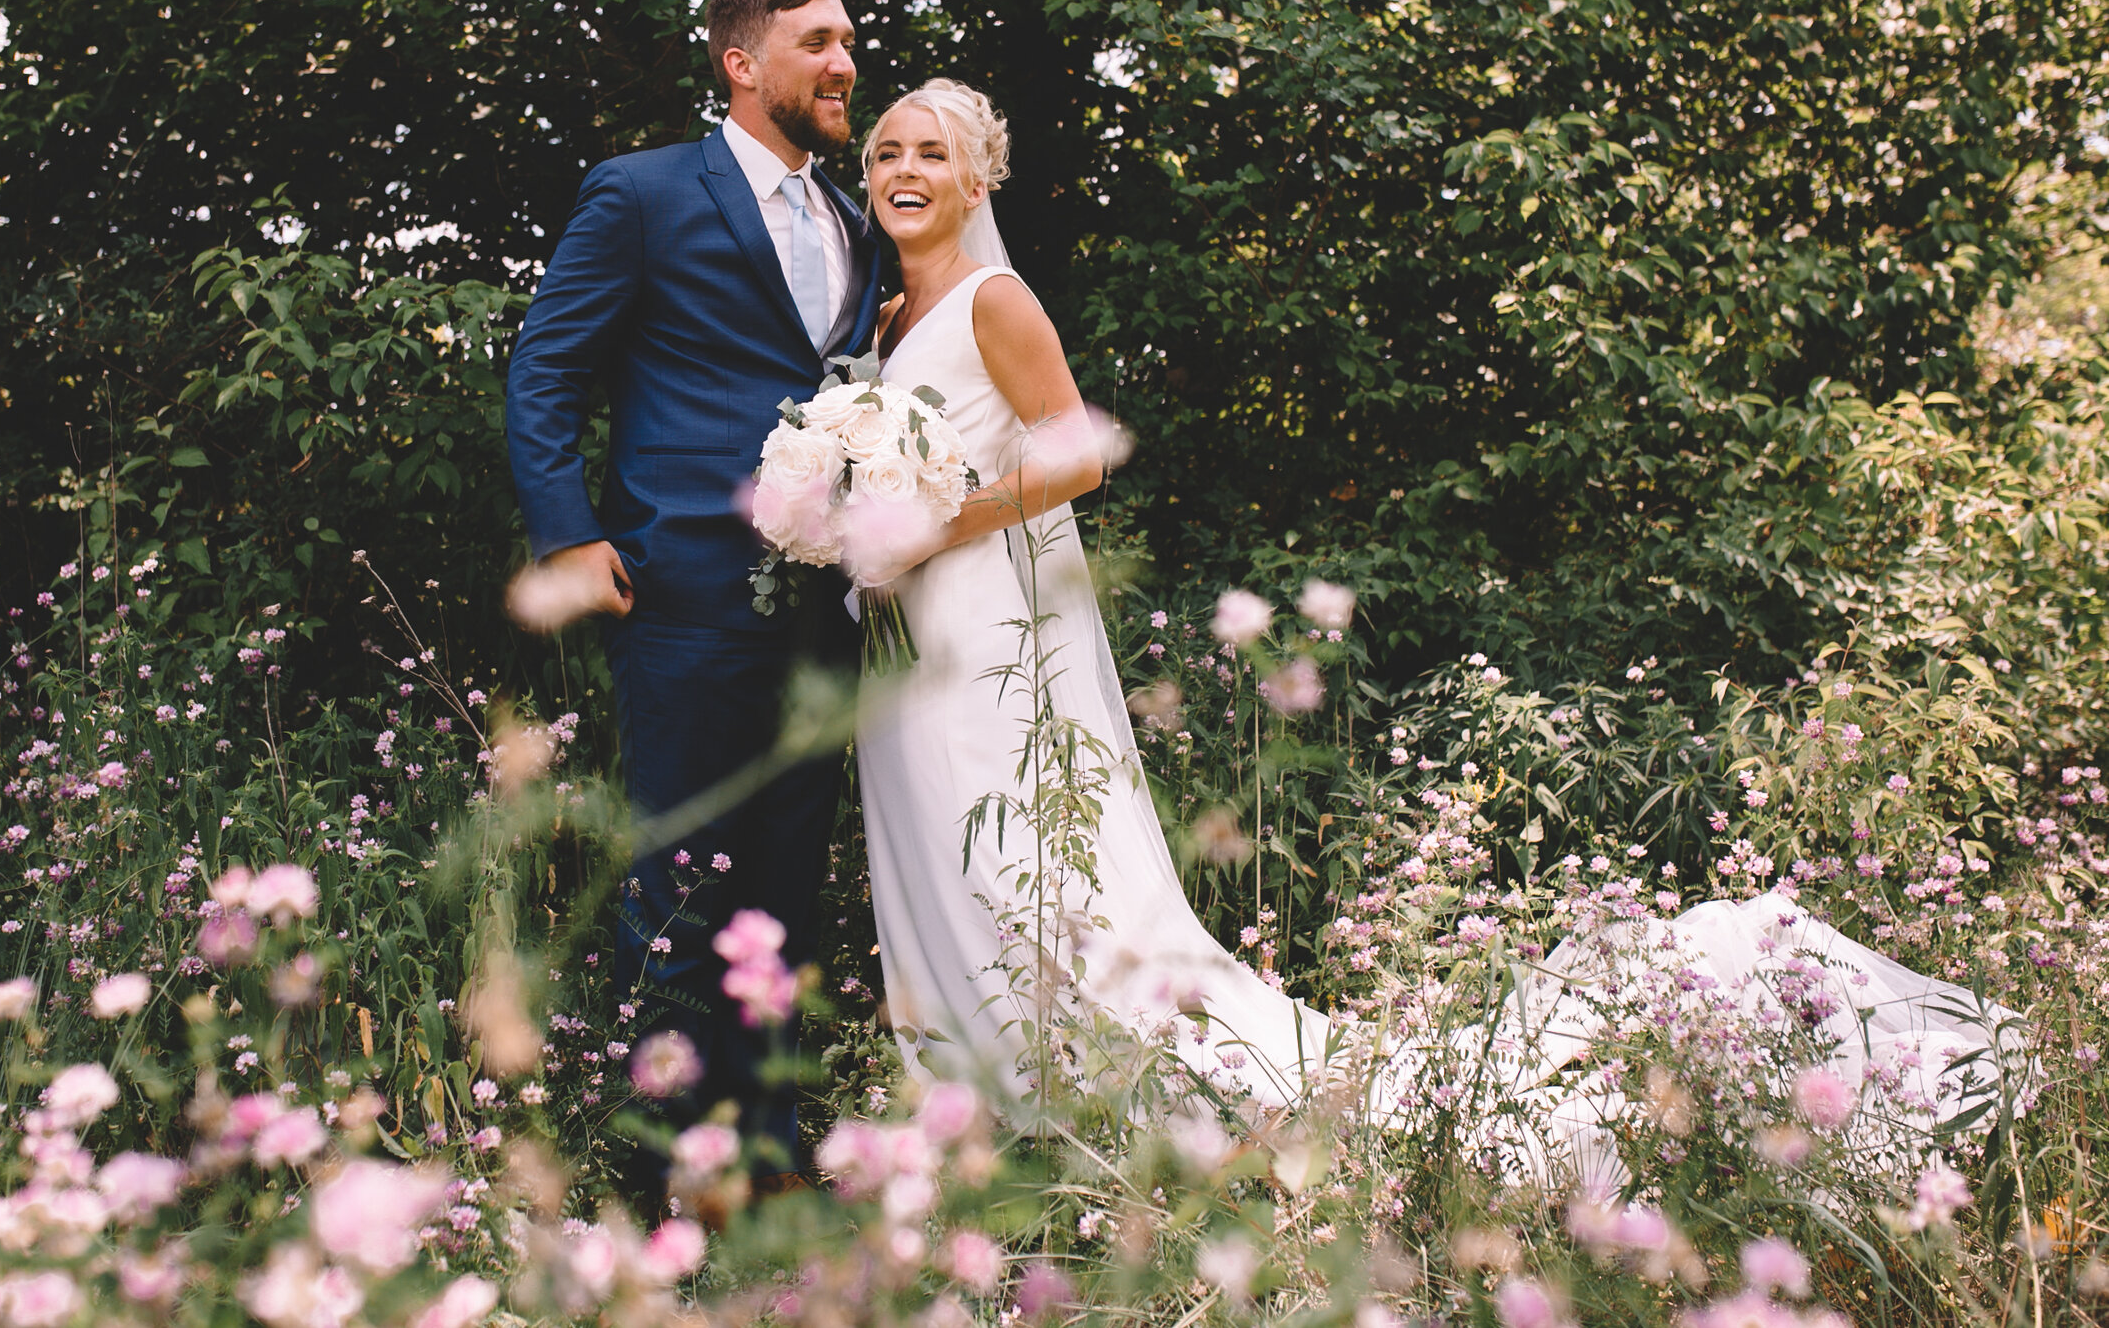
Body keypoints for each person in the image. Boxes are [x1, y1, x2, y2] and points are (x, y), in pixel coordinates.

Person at [847, 78, 2017, 1176]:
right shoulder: (890, 316)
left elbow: (1077, 451)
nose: (905, 168)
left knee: (1015, 862)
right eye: (886, 151)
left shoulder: (994, 300)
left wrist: (934, 523)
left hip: (986, 631)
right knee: (931, 856)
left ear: (975, 178)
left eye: (931, 153)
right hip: (899, 644)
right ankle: (972, 1113)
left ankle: (1094, 1097)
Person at [505, 0, 886, 1198]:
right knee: (677, 887)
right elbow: (545, 373)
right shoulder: (644, 193)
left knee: (784, 888)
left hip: (823, 606)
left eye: (847, 41)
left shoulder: (857, 220)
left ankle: (769, 1167)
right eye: (818, 42)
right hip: (681, 597)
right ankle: (650, 1180)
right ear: (741, 62)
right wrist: (568, 534)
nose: (843, 63)